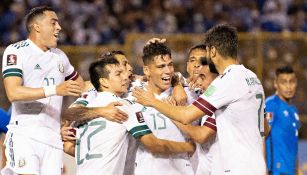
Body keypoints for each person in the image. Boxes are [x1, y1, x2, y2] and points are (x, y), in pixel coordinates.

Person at [132, 24, 266, 174]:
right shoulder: (252, 77)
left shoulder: (226, 82)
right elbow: (265, 127)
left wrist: (152, 101)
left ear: (213, 51)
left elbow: (186, 115)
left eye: (206, 54)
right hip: (255, 163)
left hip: (237, 166)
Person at [62, 55, 195, 175]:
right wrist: (188, 147)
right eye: (118, 73)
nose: (125, 76)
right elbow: (154, 145)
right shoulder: (122, 106)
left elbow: (68, 145)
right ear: (104, 81)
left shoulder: (86, 109)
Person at [1, 6, 84, 175]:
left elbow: (81, 86)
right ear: (37, 27)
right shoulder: (17, 51)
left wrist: (127, 79)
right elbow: (13, 92)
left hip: (53, 140)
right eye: (53, 23)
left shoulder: (60, 56)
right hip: (25, 135)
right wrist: (56, 89)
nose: (59, 27)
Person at [132, 42, 195, 175]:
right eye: (161, 66)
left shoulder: (187, 93)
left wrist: (178, 83)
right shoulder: (133, 93)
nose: (168, 70)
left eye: (170, 64)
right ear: (147, 70)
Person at [265, 65, 300, 175]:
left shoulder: (294, 111)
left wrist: (297, 170)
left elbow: (294, 144)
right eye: (284, 82)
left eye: (292, 81)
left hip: (290, 171)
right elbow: (262, 136)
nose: (288, 87)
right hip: (276, 171)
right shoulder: (271, 104)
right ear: (276, 84)